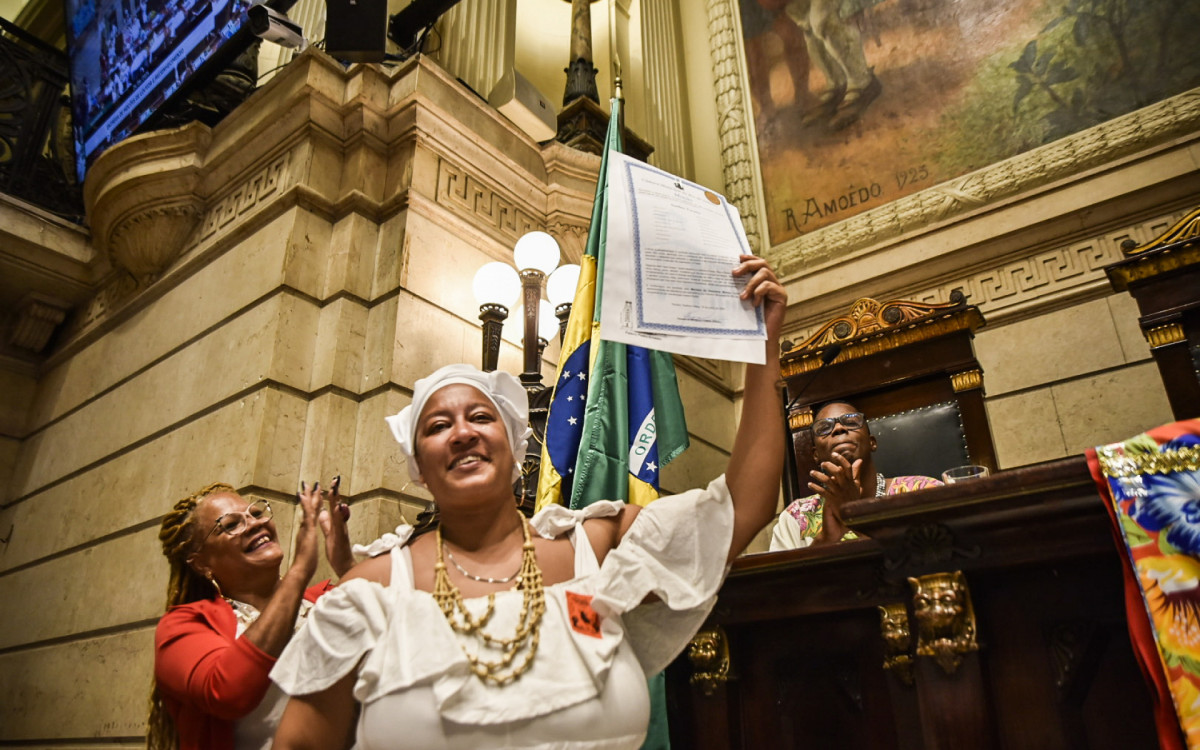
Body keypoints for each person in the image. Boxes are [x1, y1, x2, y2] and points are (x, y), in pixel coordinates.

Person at [268, 255, 788, 750]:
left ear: (515, 448)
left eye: (480, 417)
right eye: (438, 426)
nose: (462, 434)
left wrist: (764, 347)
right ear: (419, 470)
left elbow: (741, 508)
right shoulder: (370, 591)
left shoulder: (601, 547)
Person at [148, 479, 355, 750]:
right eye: (231, 524)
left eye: (256, 513)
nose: (256, 523)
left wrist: (347, 567)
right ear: (201, 563)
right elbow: (228, 692)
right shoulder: (184, 626)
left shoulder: (325, 601)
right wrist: (300, 570)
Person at [770, 401, 942, 550]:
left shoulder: (924, 492)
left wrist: (856, 517)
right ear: (815, 455)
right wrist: (825, 541)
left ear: (872, 442)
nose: (838, 428)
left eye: (851, 422)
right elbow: (784, 586)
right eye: (824, 428)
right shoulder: (795, 517)